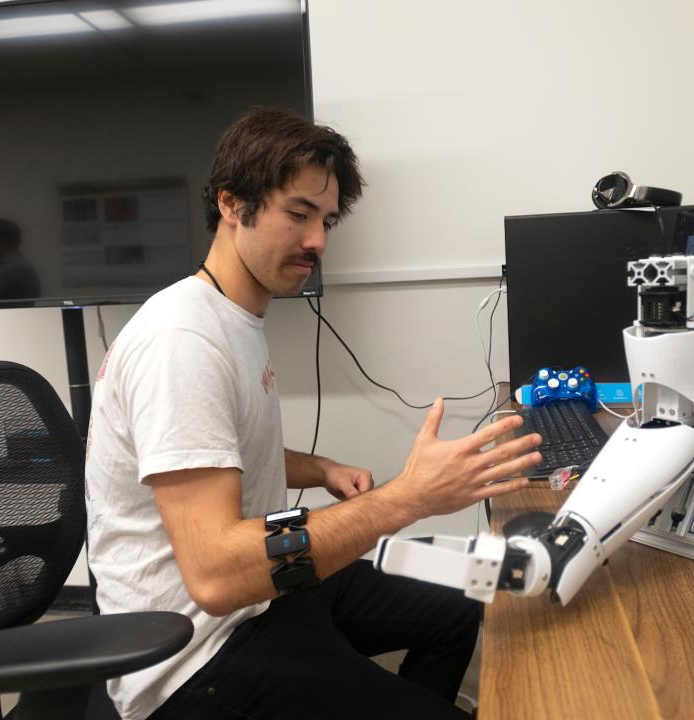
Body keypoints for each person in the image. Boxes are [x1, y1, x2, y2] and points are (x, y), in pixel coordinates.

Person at [84, 107, 542, 720]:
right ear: (231, 204)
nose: (319, 241)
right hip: (197, 658)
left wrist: (320, 468)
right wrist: (406, 498)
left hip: (265, 596)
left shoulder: (229, 315)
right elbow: (217, 573)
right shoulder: (181, 342)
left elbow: (216, 451)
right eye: (298, 214)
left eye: (326, 220)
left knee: (465, 593)